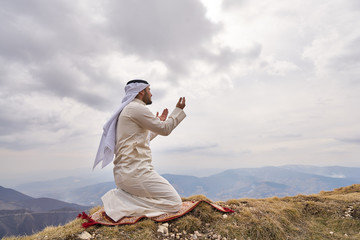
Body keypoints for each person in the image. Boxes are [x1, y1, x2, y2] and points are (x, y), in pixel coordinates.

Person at [93, 79, 186, 222]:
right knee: (174, 203)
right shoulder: (136, 109)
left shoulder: (128, 110)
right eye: (149, 90)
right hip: (136, 173)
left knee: (168, 199)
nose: (151, 94)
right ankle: (117, 202)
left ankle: (123, 197)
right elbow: (165, 129)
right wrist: (178, 110)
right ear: (141, 91)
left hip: (127, 174)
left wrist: (159, 121)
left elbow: (145, 138)